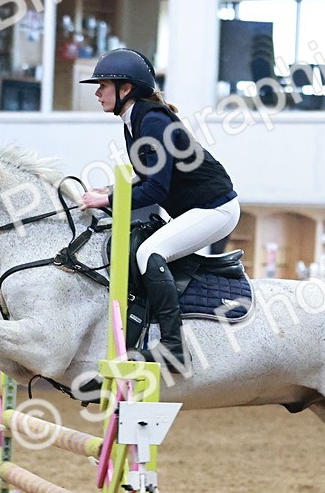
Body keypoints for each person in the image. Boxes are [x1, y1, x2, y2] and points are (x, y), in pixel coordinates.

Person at [79, 48, 240, 371]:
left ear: (126, 89)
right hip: (196, 208)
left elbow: (156, 190)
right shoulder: (134, 120)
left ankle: (173, 347)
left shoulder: (151, 120)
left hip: (216, 208)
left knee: (149, 253)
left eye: (103, 85)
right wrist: (111, 191)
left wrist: (109, 201)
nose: (97, 92)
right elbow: (147, 175)